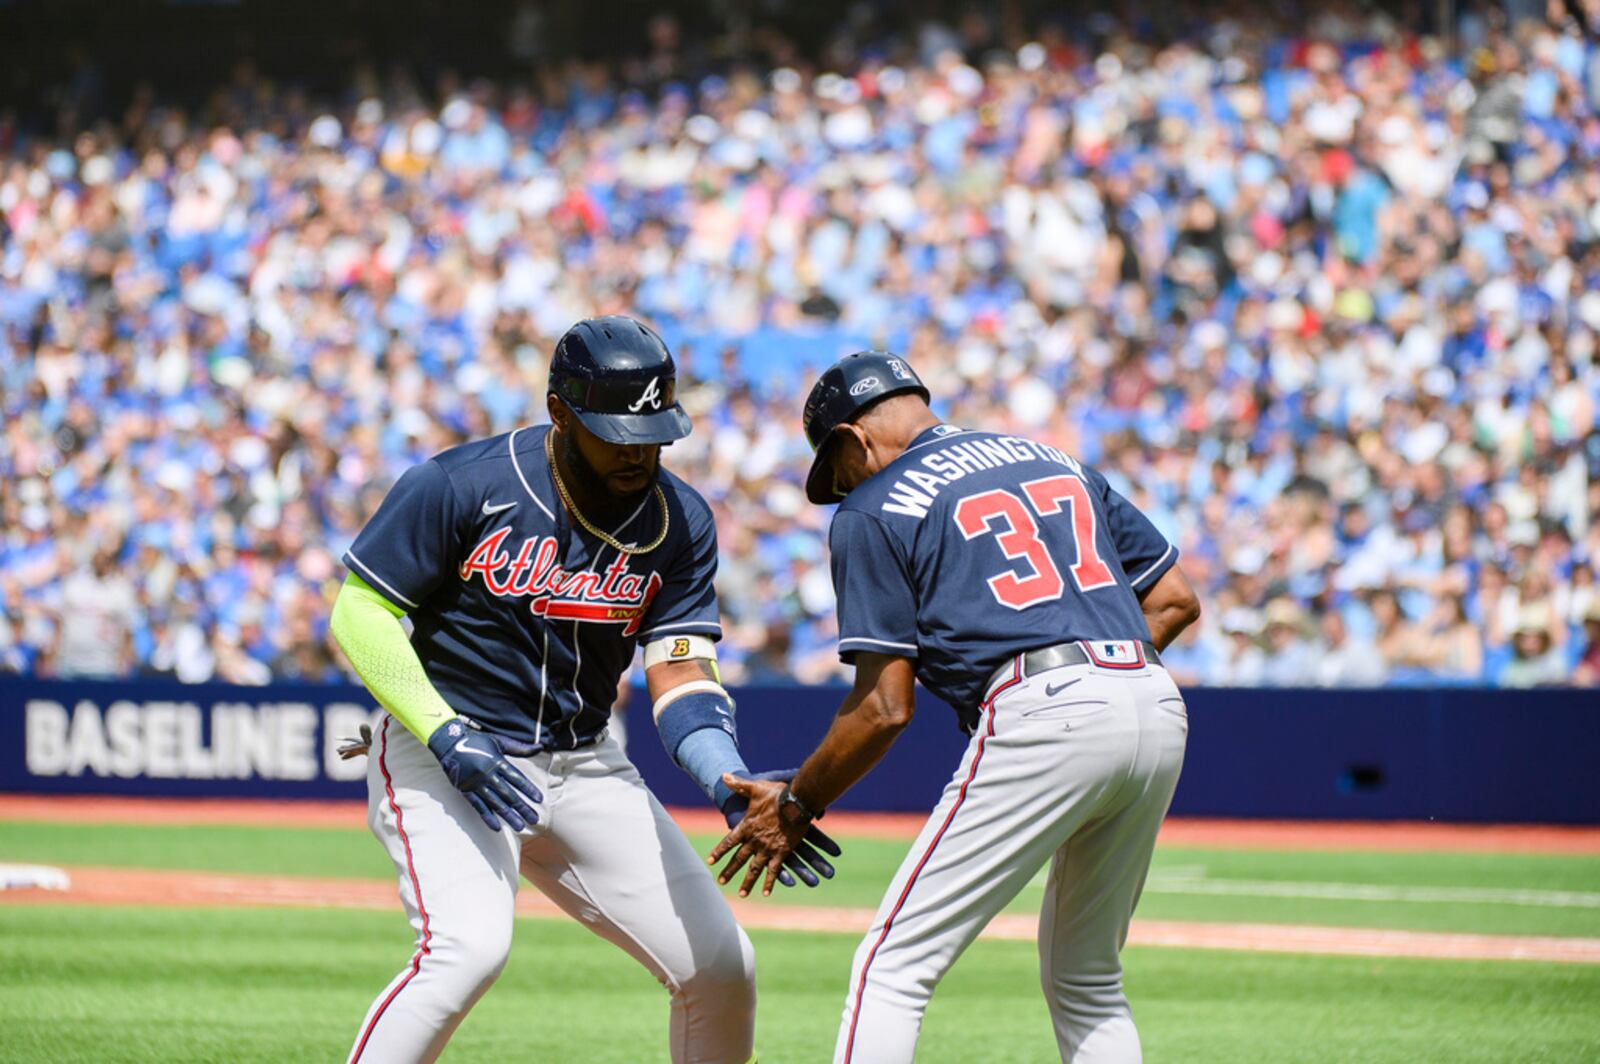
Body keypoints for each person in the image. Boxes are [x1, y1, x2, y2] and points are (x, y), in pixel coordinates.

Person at [330, 316, 838, 1064]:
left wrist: (723, 775)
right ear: (560, 411)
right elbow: (361, 609)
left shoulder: (680, 520)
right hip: (445, 751)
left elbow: (680, 670)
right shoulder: (462, 484)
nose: (640, 449)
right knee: (467, 951)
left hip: (584, 762)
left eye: (654, 430)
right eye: (616, 431)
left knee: (723, 968)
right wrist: (442, 730)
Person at [710, 352, 1202, 1063]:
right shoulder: (1053, 460)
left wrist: (795, 804)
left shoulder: (874, 506)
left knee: (893, 967)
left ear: (854, 440)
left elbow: (883, 708)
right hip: (1153, 698)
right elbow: (1175, 599)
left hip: (1045, 707)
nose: (841, 485)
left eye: (836, 468)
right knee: (1088, 977)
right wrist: (1097, 669)